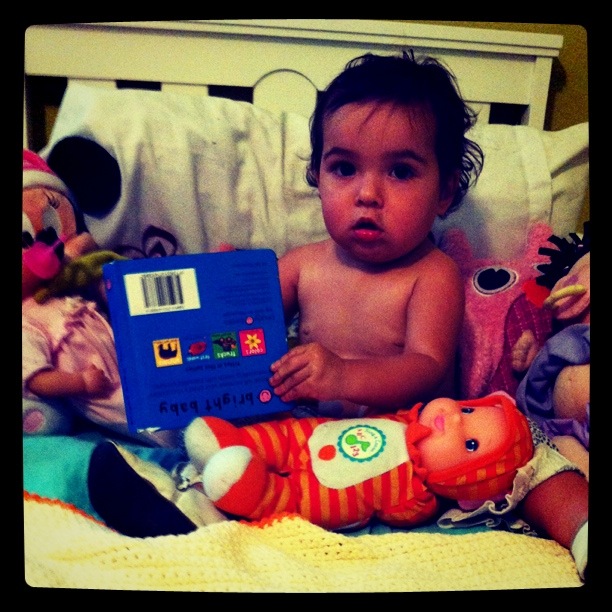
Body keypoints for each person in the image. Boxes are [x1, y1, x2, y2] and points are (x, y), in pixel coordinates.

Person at [269, 52, 483, 418]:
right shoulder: (301, 265)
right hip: (309, 429)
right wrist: (225, 284)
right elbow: (247, 321)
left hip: (400, 432)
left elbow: (427, 365)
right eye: (344, 168)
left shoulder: (433, 274)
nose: (368, 194)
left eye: (400, 172)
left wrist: (343, 376)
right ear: (318, 176)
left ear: (444, 193)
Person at [182, 393, 533, 530]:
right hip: (314, 436)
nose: (455, 418)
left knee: (291, 500)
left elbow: (396, 514)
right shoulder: (403, 417)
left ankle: (246, 487)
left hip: (321, 492)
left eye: (470, 444)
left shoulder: (418, 496)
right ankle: (233, 442)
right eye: (468, 410)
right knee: (286, 436)